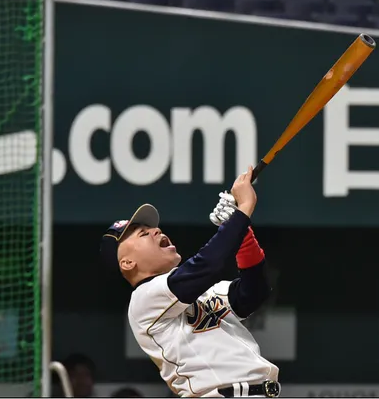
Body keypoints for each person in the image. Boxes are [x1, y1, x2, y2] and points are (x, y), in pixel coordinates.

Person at [100, 166, 279, 398]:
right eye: (143, 234)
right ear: (127, 263)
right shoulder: (143, 300)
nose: (155, 230)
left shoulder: (201, 291)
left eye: (152, 228)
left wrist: (242, 232)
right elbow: (207, 265)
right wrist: (242, 211)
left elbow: (254, 291)